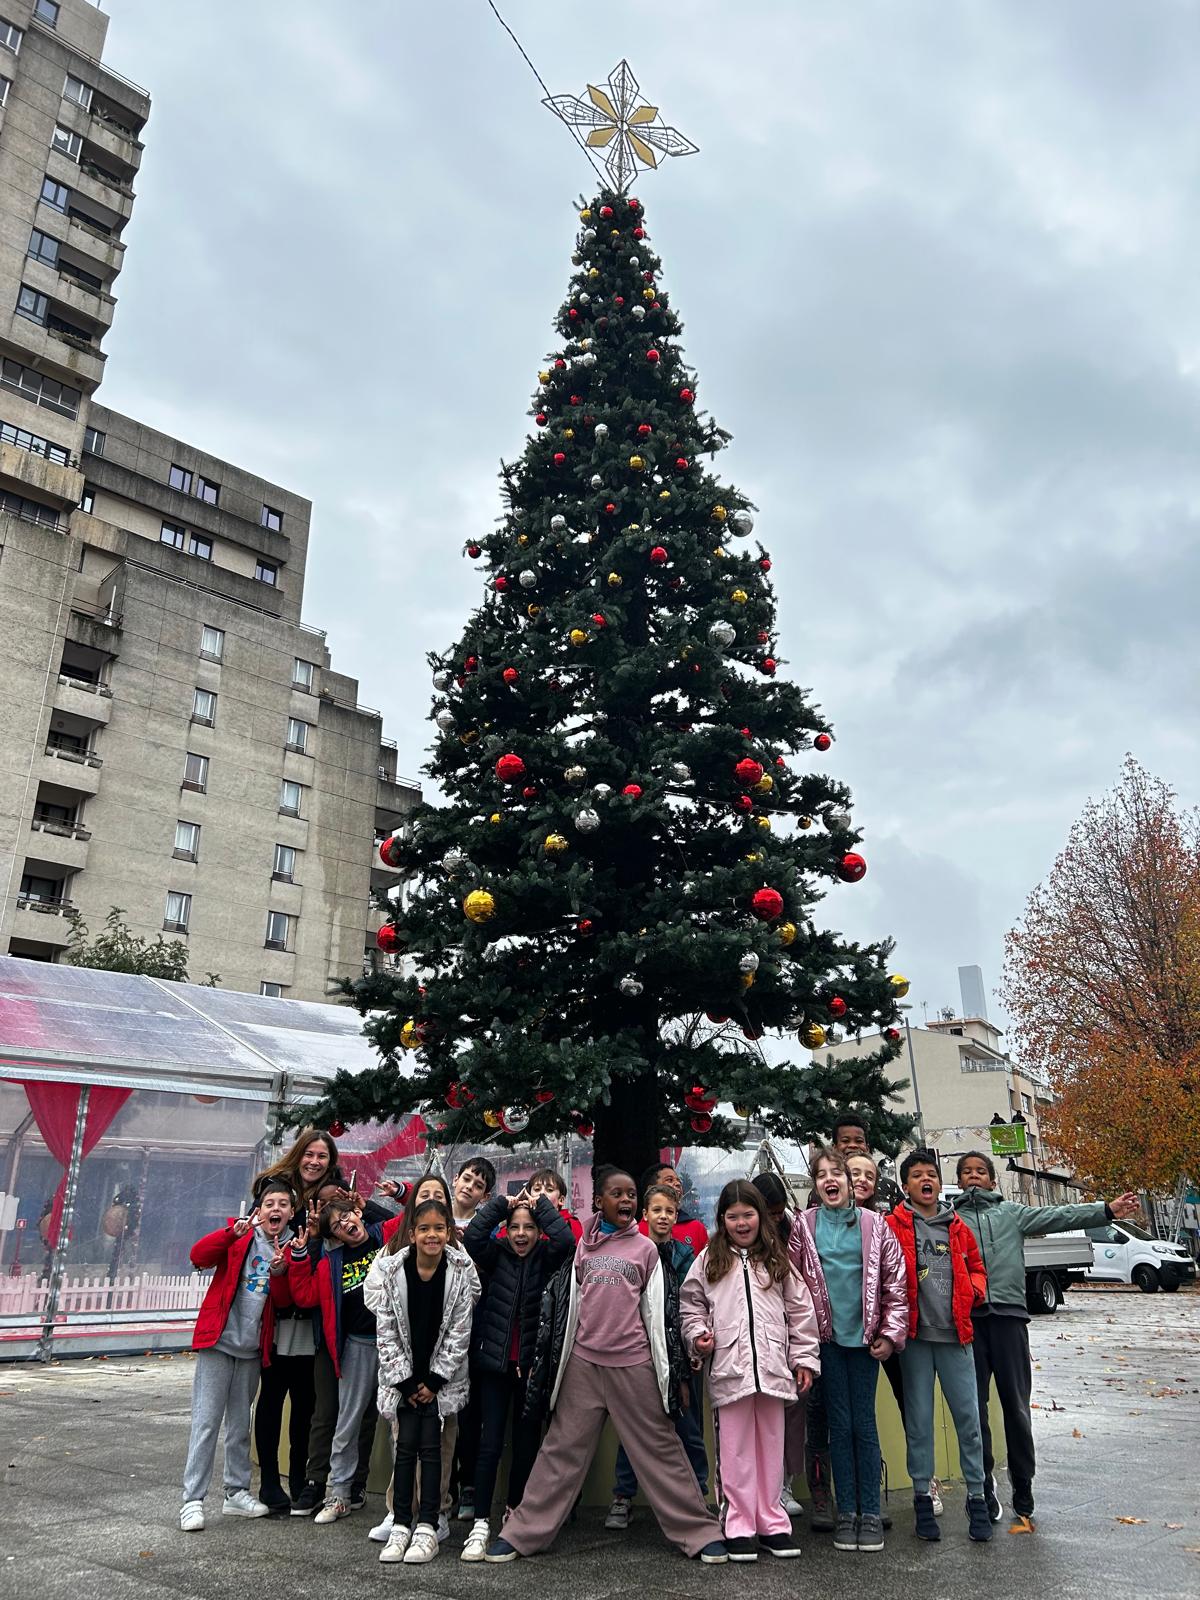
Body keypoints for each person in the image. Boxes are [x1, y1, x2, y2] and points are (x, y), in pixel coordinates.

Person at [484, 1167, 727, 1565]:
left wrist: (673, 1372)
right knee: (560, 1451)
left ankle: (699, 1532)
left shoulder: (647, 1250)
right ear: (599, 1201)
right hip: (583, 1365)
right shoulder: (584, 1246)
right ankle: (522, 1533)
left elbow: (662, 1317)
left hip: (634, 1366)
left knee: (662, 1449)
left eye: (631, 1194)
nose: (627, 1200)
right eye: (617, 1193)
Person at [953, 1150, 1140, 1530]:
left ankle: (1023, 1485)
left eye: (981, 1171)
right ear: (958, 1180)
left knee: (1017, 1410)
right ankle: (982, 1488)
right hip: (968, 1323)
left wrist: (1106, 1209)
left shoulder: (1011, 1214)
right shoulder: (949, 1221)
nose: (974, 1177)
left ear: (991, 1180)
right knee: (974, 1413)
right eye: (966, 1172)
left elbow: (1059, 1216)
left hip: (1008, 1320)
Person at [681, 1180, 819, 1562]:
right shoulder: (710, 1259)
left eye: (748, 1215)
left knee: (771, 1448)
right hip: (730, 1370)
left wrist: (804, 1358)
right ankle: (738, 1523)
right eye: (733, 1217)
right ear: (722, 1220)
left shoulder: (777, 1259)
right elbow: (690, 1306)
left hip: (774, 1370)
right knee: (735, 1450)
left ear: (761, 1216)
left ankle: (772, 1523)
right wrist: (698, 1337)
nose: (742, 1224)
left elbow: (800, 1311)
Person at [790, 1147, 907, 1554]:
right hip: (827, 1343)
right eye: (820, 1175)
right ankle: (847, 1514)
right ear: (815, 1184)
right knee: (839, 1425)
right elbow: (793, 1287)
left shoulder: (876, 1225)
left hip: (865, 1343)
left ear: (849, 1179)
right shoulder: (803, 1227)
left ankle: (870, 1512)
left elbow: (896, 1284)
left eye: (835, 1172)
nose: (829, 1180)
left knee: (865, 1424)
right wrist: (802, 1343)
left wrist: (890, 1335)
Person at [460, 1188, 576, 1560]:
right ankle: (480, 1520)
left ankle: (514, 1510)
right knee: (489, 1443)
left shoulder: (547, 1256)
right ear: (506, 1231)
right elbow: (475, 1236)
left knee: (527, 1445)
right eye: (515, 1228)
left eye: (528, 1228)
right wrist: (501, 1205)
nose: (522, 1234)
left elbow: (565, 1239)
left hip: (532, 1369)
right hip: (494, 1366)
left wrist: (540, 1206)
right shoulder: (496, 1256)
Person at [364, 1198, 480, 1565]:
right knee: (404, 1452)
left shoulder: (460, 1272)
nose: (432, 1235)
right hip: (404, 1384)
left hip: (439, 1384)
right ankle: (401, 1524)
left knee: (434, 1452)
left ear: (449, 1233)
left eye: (439, 1229)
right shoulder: (389, 1271)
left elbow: (459, 1333)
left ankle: (428, 1525)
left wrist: (433, 1381)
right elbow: (385, 1331)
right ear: (411, 1233)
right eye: (424, 1229)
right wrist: (406, 1381)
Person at [886, 1149, 992, 1544]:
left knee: (969, 1420)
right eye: (917, 1175)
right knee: (919, 1423)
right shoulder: (893, 1225)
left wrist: (975, 1293)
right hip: (915, 1341)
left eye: (931, 1174)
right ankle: (921, 1501)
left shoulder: (958, 1225)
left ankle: (977, 1499)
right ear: (906, 1185)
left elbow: (978, 1268)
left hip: (956, 1338)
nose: (926, 1181)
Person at [179, 1182, 295, 1531]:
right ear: (258, 1210)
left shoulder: (292, 1247)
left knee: (239, 1424)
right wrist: (230, 1234)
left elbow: (288, 1301)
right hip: (219, 1342)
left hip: (252, 1350)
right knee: (206, 1422)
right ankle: (192, 1500)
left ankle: (236, 1493)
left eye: (284, 1204)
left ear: (291, 1212)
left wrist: (280, 1271)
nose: (276, 1209)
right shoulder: (240, 1235)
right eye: (269, 1203)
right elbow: (198, 1257)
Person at [287, 1197, 401, 1524]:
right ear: (334, 1236)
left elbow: (410, 1217)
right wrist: (299, 1256)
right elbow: (306, 1296)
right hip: (357, 1345)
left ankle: (403, 1500)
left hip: (394, 1343)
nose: (346, 1224)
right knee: (347, 1419)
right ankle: (338, 1492)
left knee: (400, 1421)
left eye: (347, 1216)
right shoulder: (331, 1261)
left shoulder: (384, 1236)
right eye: (337, 1225)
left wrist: (373, 1205)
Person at [605, 1181, 708, 1530]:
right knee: (635, 1427)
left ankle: (698, 1493)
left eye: (670, 1211)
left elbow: (692, 1303)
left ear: (676, 1216)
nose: (663, 1217)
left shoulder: (684, 1256)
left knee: (688, 1426)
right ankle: (623, 1495)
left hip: (680, 1353)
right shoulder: (633, 1251)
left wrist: (692, 1347)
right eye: (657, 1210)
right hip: (641, 1354)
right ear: (645, 1214)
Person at [752, 1172, 805, 1517]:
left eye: (777, 1212)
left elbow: (803, 1291)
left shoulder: (794, 1231)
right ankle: (756, 1486)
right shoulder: (740, 1235)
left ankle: (785, 1484)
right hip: (755, 1337)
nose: (773, 1219)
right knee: (756, 1414)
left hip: (790, 1336)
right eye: (767, 1212)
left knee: (794, 1411)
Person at [449, 1156, 495, 1523]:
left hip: (476, 1328)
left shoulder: (489, 1228)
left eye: (477, 1185)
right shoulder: (435, 1217)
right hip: (438, 1326)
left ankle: (468, 1484)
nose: (469, 1187)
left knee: (470, 1413)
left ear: (485, 1195)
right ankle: (441, 1487)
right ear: (455, 1179)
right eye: (466, 1179)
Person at [639, 1162, 707, 1256]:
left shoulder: (697, 1228)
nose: (678, 1184)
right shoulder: (635, 1232)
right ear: (651, 1189)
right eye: (670, 1180)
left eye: (679, 1181)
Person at [527, 1167, 583, 1241]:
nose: (542, 1193)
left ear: (561, 1200)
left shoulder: (571, 1224)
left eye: (549, 1190)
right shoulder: (519, 1222)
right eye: (537, 1189)